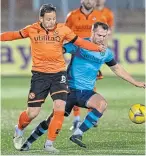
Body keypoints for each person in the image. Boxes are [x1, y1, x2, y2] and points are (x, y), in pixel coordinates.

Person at [20, 22, 145, 151]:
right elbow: (61, 49)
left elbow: (117, 69)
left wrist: (135, 82)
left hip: (86, 92)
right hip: (69, 90)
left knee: (102, 104)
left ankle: (77, 134)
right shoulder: (79, 44)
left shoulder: (105, 53)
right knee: (51, 121)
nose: (102, 38)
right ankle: (29, 142)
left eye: (104, 36)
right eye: (99, 35)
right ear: (92, 31)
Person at [0, 4, 106, 153]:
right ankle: (19, 129)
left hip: (59, 75)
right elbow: (13, 35)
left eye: (54, 18)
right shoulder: (32, 29)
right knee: (32, 113)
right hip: (39, 76)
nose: (52, 22)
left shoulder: (62, 29)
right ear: (41, 18)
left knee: (59, 109)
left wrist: (97, 48)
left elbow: (80, 42)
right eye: (48, 19)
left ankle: (49, 143)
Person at [65, 0, 114, 131]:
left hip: (93, 56)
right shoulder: (72, 16)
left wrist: (102, 51)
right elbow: (66, 35)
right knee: (75, 85)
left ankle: (90, 114)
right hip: (77, 55)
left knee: (90, 85)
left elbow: (106, 36)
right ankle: (76, 119)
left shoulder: (101, 16)